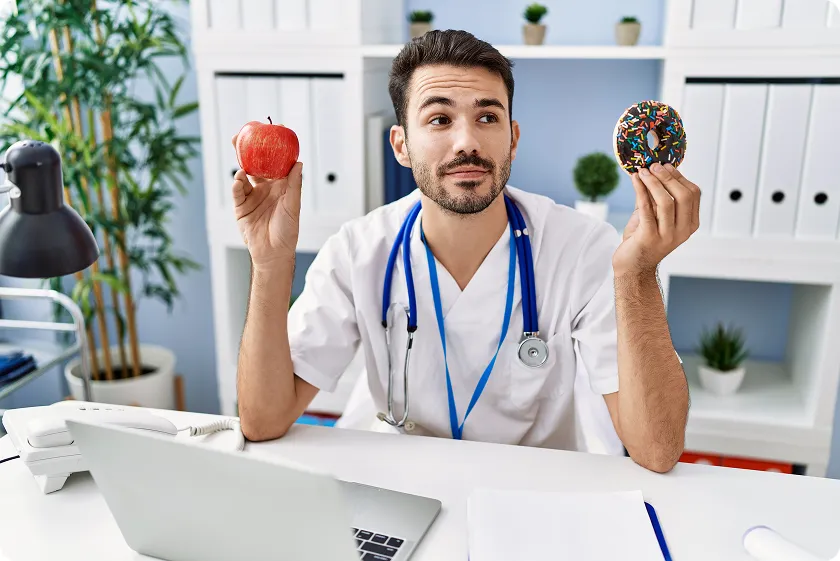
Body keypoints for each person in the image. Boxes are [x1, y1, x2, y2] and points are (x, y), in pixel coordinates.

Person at [230, 30, 697, 473]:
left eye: (487, 117)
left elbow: (656, 450)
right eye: (439, 119)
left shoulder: (582, 249)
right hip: (399, 481)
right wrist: (270, 263)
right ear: (401, 145)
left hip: (534, 496)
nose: (467, 142)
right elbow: (262, 421)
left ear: (512, 138)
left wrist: (639, 272)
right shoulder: (357, 251)